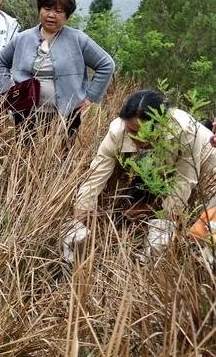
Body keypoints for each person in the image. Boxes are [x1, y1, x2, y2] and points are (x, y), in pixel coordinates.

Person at [63, 90, 216, 263]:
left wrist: (162, 225)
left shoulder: (184, 130)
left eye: (144, 131)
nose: (139, 138)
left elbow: (184, 182)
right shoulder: (117, 132)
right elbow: (94, 179)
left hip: (205, 165)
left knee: (199, 225)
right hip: (157, 167)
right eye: (132, 131)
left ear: (161, 124)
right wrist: (78, 223)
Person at [0, 0, 115, 138]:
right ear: (40, 10)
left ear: (67, 15)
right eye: (47, 9)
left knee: (62, 152)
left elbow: (106, 65)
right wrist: (8, 89)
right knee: (25, 151)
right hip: (26, 111)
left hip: (66, 115)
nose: (51, 15)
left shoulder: (78, 39)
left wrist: (90, 98)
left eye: (58, 11)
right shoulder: (23, 38)